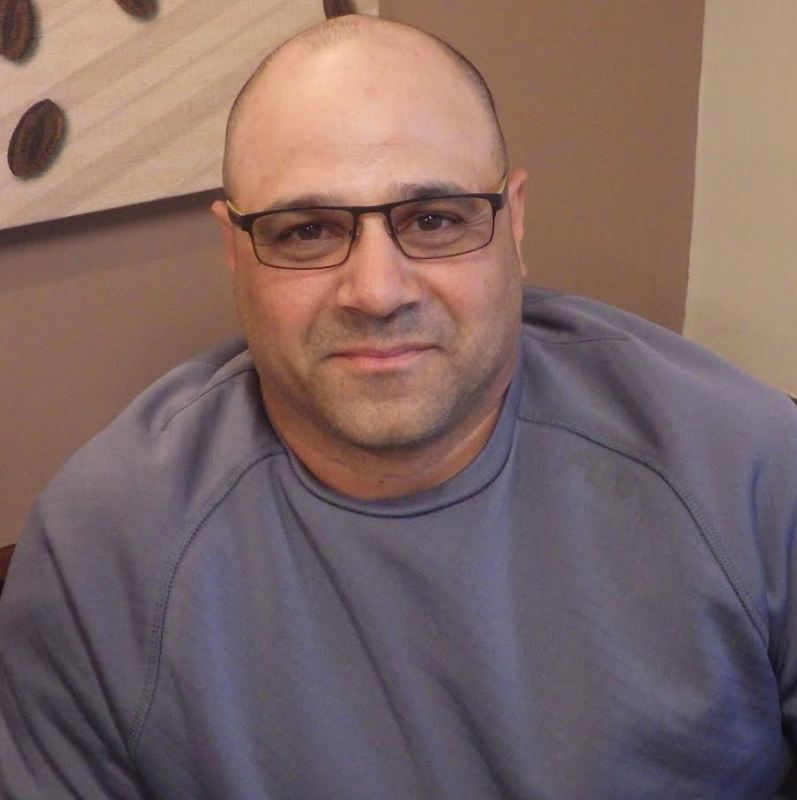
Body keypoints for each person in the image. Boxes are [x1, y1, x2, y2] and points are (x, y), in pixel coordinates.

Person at [1, 14, 796, 800]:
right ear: (235, 250)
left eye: (434, 219)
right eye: (307, 231)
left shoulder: (743, 467)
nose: (377, 292)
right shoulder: (104, 549)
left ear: (513, 223)